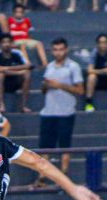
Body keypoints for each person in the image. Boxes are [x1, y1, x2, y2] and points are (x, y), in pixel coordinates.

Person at [36, 37, 84, 187]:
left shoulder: (73, 67)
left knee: (64, 146)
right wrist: (46, 85)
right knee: (45, 147)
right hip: (48, 112)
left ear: (66, 50)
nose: (58, 52)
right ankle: (42, 177)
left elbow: (80, 90)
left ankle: (64, 177)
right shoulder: (49, 66)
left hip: (66, 112)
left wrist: (59, 85)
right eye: (55, 50)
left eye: (61, 49)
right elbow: (44, 91)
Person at [0, 32, 32, 113]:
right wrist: (18, 72)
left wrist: (7, 68)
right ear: (0, 44)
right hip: (3, 82)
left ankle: (23, 105)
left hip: (16, 81)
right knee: (0, 75)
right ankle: (1, 104)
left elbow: (28, 65)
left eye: (8, 42)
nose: (6, 44)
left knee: (27, 74)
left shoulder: (17, 53)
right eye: (4, 42)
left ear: (12, 43)